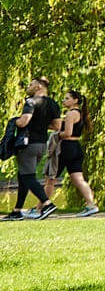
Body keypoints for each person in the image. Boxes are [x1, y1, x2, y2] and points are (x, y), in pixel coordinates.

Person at [7, 78, 58, 221]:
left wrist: (13, 121)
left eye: (31, 84)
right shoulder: (53, 104)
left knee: (28, 177)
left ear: (38, 86)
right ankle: (17, 211)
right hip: (42, 144)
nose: (28, 86)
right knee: (23, 175)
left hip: (28, 144)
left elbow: (24, 122)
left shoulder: (31, 102)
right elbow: (57, 126)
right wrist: (40, 125)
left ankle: (47, 204)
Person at [54, 90, 98, 216]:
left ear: (75, 100)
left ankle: (40, 207)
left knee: (50, 178)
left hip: (67, 147)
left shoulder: (70, 114)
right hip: (76, 148)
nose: (64, 100)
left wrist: (56, 135)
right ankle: (91, 204)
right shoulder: (79, 114)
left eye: (67, 98)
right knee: (79, 179)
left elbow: (67, 133)